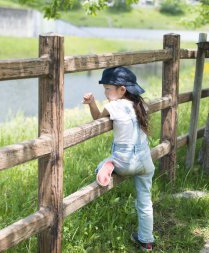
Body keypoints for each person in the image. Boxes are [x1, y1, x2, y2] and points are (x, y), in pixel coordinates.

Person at [82, 66, 155, 251]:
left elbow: (97, 118)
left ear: (122, 90)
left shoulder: (113, 106)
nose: (105, 93)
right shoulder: (140, 106)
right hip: (145, 162)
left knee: (106, 161)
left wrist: (91, 103)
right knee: (145, 202)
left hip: (125, 163)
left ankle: (105, 167)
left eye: (108, 89)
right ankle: (147, 241)